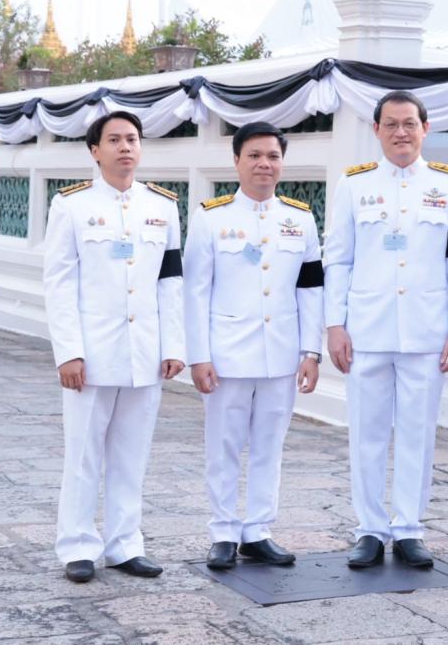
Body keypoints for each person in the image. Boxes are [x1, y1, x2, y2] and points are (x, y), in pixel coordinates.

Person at [324, 90, 448, 569]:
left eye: (410, 123)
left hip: (426, 330)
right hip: (367, 328)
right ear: (376, 131)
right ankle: (369, 528)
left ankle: (409, 527)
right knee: (366, 433)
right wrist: (334, 324)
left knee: (418, 432)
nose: (401, 132)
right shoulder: (353, 185)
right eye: (391, 124)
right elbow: (338, 259)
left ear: (426, 128)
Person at [43, 111, 185, 583]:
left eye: (133, 139)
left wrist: (173, 342)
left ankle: (125, 544)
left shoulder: (163, 206)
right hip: (93, 350)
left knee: (132, 453)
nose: (126, 147)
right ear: (95, 150)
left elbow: (170, 280)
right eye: (115, 140)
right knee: (83, 453)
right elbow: (59, 282)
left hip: (144, 350)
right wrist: (68, 351)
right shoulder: (71, 205)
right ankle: (78, 545)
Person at [183, 121, 324, 570]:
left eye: (273, 156)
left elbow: (311, 289)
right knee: (223, 445)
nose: (265, 164)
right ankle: (223, 531)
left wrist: (311, 351)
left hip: (281, 353)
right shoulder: (211, 216)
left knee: (270, 445)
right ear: (237, 161)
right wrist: (199, 356)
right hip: (227, 354)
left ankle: (259, 530)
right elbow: (195, 291)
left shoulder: (300, 219)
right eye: (255, 155)